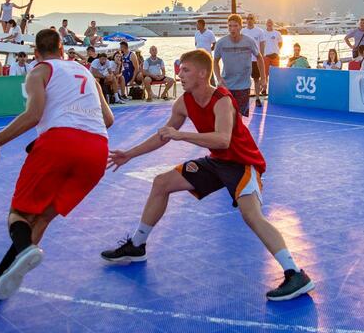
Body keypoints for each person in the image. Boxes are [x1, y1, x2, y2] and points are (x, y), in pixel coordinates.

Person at [99, 49, 314, 301]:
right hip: (216, 162)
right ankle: (137, 245)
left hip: (243, 163)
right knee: (162, 183)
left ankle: (295, 273)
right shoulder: (183, 102)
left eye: (185, 70)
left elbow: (223, 140)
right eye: (179, 70)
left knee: (252, 216)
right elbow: (164, 135)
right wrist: (129, 154)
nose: (180, 74)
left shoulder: (222, 99)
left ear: (202, 73)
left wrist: (182, 135)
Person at [0, 28, 115, 303]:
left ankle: (22, 252)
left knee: (18, 213)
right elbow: (108, 120)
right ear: (62, 49)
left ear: (36, 53)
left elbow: (33, 115)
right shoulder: (86, 72)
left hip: (59, 143)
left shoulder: (39, 72)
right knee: (43, 217)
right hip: (97, 150)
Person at [213, 14, 260, 117]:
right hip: (226, 85)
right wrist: (219, 78)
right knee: (226, 116)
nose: (232, 28)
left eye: (235, 26)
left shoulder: (249, 41)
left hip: (243, 86)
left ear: (240, 26)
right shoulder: (221, 43)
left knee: (238, 116)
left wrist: (264, 78)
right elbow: (215, 61)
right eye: (230, 26)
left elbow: (259, 57)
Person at [241, 15, 267, 106]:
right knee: (245, 80)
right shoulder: (243, 31)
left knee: (256, 79)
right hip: (245, 60)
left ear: (254, 20)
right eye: (247, 18)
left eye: (251, 18)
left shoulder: (259, 31)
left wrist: (261, 58)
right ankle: (245, 98)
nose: (249, 20)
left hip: (256, 60)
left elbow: (262, 45)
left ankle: (257, 98)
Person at [261, 19, 283, 93]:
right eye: (268, 22)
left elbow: (280, 43)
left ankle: (274, 90)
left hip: (275, 56)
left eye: (270, 22)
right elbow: (261, 44)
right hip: (266, 56)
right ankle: (264, 89)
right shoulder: (263, 33)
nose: (269, 24)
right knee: (265, 74)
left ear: (272, 24)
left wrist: (276, 51)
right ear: (266, 24)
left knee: (275, 75)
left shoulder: (277, 33)